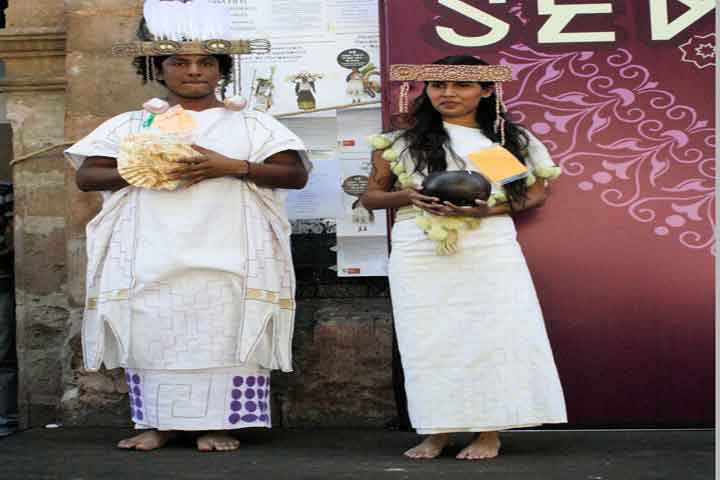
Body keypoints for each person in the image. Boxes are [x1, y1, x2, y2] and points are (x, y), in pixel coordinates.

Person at [65, 0, 309, 452]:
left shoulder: (252, 123)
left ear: (222, 69)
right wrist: (144, 167)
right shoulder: (132, 124)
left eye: (206, 62)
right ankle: (160, 423)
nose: (194, 70)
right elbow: (88, 176)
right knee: (154, 333)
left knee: (224, 333)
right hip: (152, 253)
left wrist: (229, 166)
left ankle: (219, 424)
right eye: (180, 61)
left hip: (230, 253)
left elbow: (294, 174)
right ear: (158, 68)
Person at [361, 55, 567, 460]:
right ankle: (437, 430)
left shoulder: (497, 143)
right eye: (438, 85)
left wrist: (486, 211)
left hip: (487, 245)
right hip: (419, 247)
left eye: (461, 85)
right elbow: (370, 197)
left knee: (492, 334)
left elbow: (534, 195)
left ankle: (489, 432)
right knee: (428, 339)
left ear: (486, 91)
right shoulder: (402, 141)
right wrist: (408, 195)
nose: (448, 94)